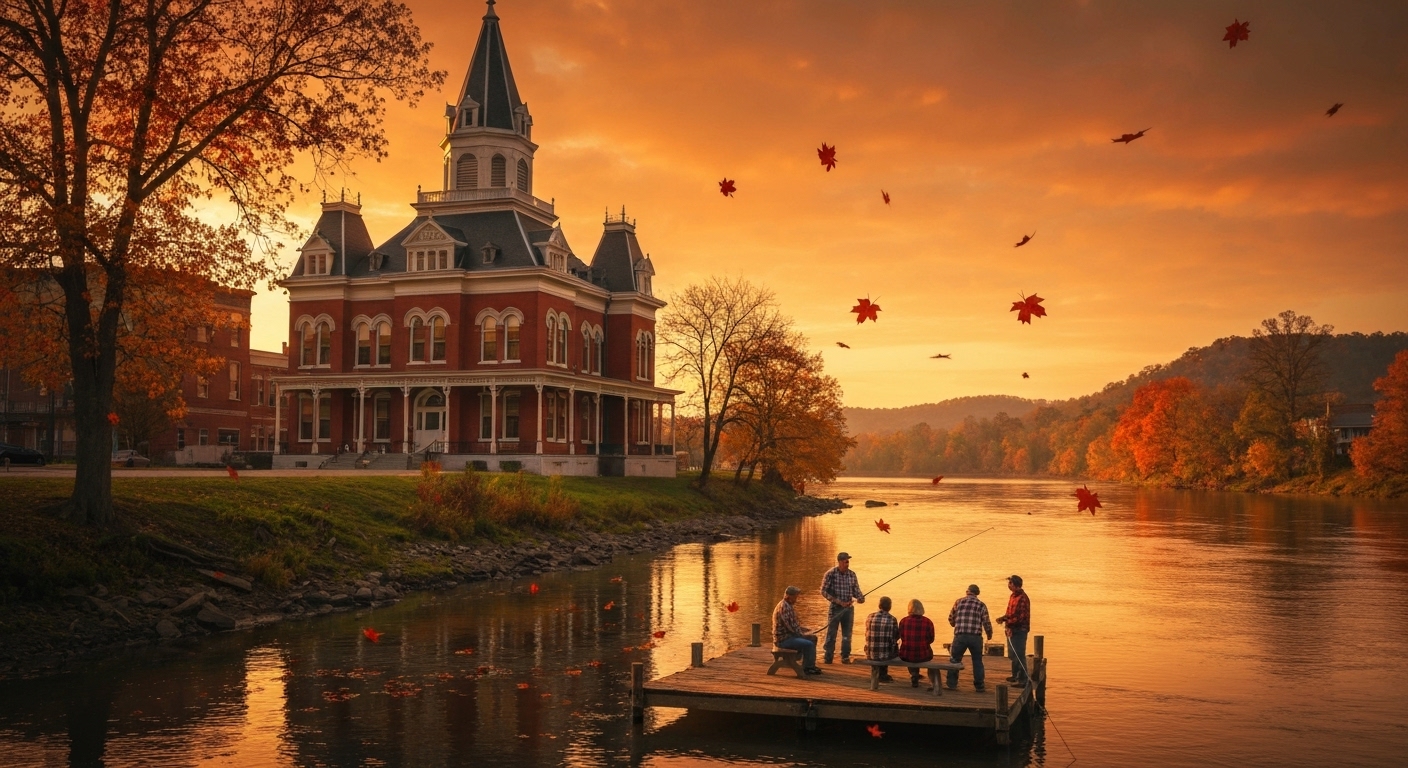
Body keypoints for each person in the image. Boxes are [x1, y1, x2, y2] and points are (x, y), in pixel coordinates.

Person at [946, 583, 993, 692]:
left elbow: (950, 618)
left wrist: (955, 624)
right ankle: (979, 685)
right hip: (975, 637)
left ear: (967, 592)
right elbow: (986, 622)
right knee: (977, 661)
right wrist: (989, 634)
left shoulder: (958, 602)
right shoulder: (981, 605)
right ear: (977, 594)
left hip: (960, 636)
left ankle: (951, 684)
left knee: (955, 660)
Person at [820, 551, 864, 664]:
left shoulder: (852, 574)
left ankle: (845, 656)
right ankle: (828, 656)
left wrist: (860, 598)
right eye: (845, 561)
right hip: (835, 608)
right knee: (831, 633)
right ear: (839, 562)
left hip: (849, 609)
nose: (847, 563)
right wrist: (838, 601)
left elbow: (856, 590)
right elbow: (823, 591)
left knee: (847, 635)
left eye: (848, 561)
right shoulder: (830, 574)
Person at [773, 585, 822, 675]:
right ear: (789, 596)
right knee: (809, 644)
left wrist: (807, 630)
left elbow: (794, 625)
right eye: (795, 596)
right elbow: (790, 627)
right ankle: (807, 668)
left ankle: (809, 665)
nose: (796, 599)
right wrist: (802, 634)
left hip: (789, 636)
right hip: (783, 640)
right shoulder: (784, 607)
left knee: (813, 638)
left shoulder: (788, 605)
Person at [996, 574, 1031, 685]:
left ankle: (1023, 680)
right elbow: (1010, 613)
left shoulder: (1022, 598)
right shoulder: (1013, 596)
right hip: (1011, 629)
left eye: (1010, 583)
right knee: (1012, 654)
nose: (1009, 586)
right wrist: (1003, 618)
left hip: (1019, 630)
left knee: (1019, 655)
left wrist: (1008, 622)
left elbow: (1020, 618)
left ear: (1016, 585)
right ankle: (1015, 675)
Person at [898, 598, 936, 689]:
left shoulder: (903, 621)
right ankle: (916, 674)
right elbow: (931, 639)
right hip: (924, 655)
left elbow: (901, 637)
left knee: (910, 651)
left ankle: (914, 674)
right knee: (920, 649)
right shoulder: (928, 622)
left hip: (906, 655)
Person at [863, 596, 899, 683]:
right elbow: (896, 636)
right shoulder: (892, 619)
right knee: (889, 646)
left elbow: (867, 633)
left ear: (879, 605)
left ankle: (876, 672)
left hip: (870, 653)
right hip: (885, 655)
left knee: (876, 644)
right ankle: (882, 674)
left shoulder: (870, 616)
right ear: (890, 607)